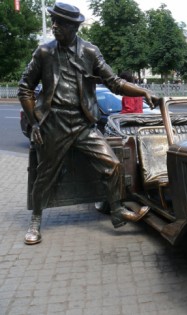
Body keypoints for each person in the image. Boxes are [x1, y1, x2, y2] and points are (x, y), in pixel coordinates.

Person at [18, 2, 158, 245]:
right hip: (54, 122)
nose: (54, 26)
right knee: (45, 174)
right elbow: (24, 88)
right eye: (53, 21)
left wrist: (142, 91)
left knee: (113, 165)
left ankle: (116, 212)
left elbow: (114, 82)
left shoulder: (90, 52)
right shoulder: (44, 53)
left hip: (83, 123)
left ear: (73, 26)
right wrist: (35, 123)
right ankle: (36, 220)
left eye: (59, 22)